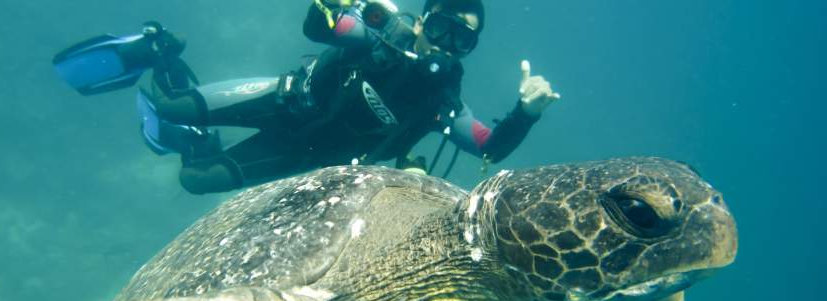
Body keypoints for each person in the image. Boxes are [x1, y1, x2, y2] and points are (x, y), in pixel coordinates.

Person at [84, 0, 560, 194]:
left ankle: (198, 143)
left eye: (461, 40)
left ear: (468, 50)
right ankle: (162, 50)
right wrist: (337, 5)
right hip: (282, 101)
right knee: (171, 105)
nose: (444, 45)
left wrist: (527, 113)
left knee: (195, 179)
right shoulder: (381, 34)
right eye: (439, 28)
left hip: (303, 154)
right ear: (422, 20)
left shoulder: (441, 100)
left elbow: (487, 145)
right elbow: (321, 25)